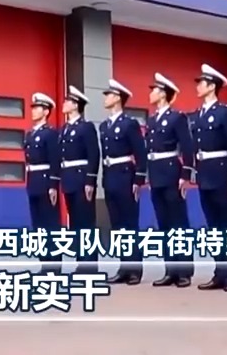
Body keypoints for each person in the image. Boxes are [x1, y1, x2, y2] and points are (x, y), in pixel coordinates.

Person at [191, 64, 227, 291]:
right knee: (213, 226)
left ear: (212, 86)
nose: (198, 87)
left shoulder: (225, 112)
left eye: (201, 83)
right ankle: (219, 272)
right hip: (205, 173)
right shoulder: (198, 114)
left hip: (222, 173)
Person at [146, 73, 196, 287]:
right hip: (156, 174)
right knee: (164, 223)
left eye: (155, 90)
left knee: (178, 223)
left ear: (163, 94)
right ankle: (170, 269)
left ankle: (184, 271)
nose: (151, 94)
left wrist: (185, 174)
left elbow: (187, 147)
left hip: (171, 173)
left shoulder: (177, 117)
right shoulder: (151, 119)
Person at [100, 79, 147, 285]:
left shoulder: (129, 124)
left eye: (109, 95)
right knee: (117, 225)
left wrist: (138, 179)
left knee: (129, 224)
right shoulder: (104, 126)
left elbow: (140, 153)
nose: (106, 98)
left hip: (125, 176)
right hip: (110, 177)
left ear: (118, 98)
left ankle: (135, 269)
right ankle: (123, 267)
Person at [59, 85, 101, 274]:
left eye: (68, 101)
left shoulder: (86, 127)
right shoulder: (65, 129)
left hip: (82, 178)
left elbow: (94, 154)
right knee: (75, 224)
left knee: (86, 223)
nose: (64, 103)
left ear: (76, 105)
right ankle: (80, 262)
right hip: (69, 179)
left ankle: (90, 265)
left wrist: (90, 181)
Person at [24, 92, 62, 274]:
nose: (33, 111)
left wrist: (53, 185)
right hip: (33, 182)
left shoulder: (50, 134)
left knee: (50, 225)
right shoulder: (30, 134)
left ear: (46, 111)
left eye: (37, 108)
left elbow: (55, 160)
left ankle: (54, 265)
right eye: (33, 108)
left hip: (46, 182)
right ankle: (44, 263)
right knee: (38, 226)